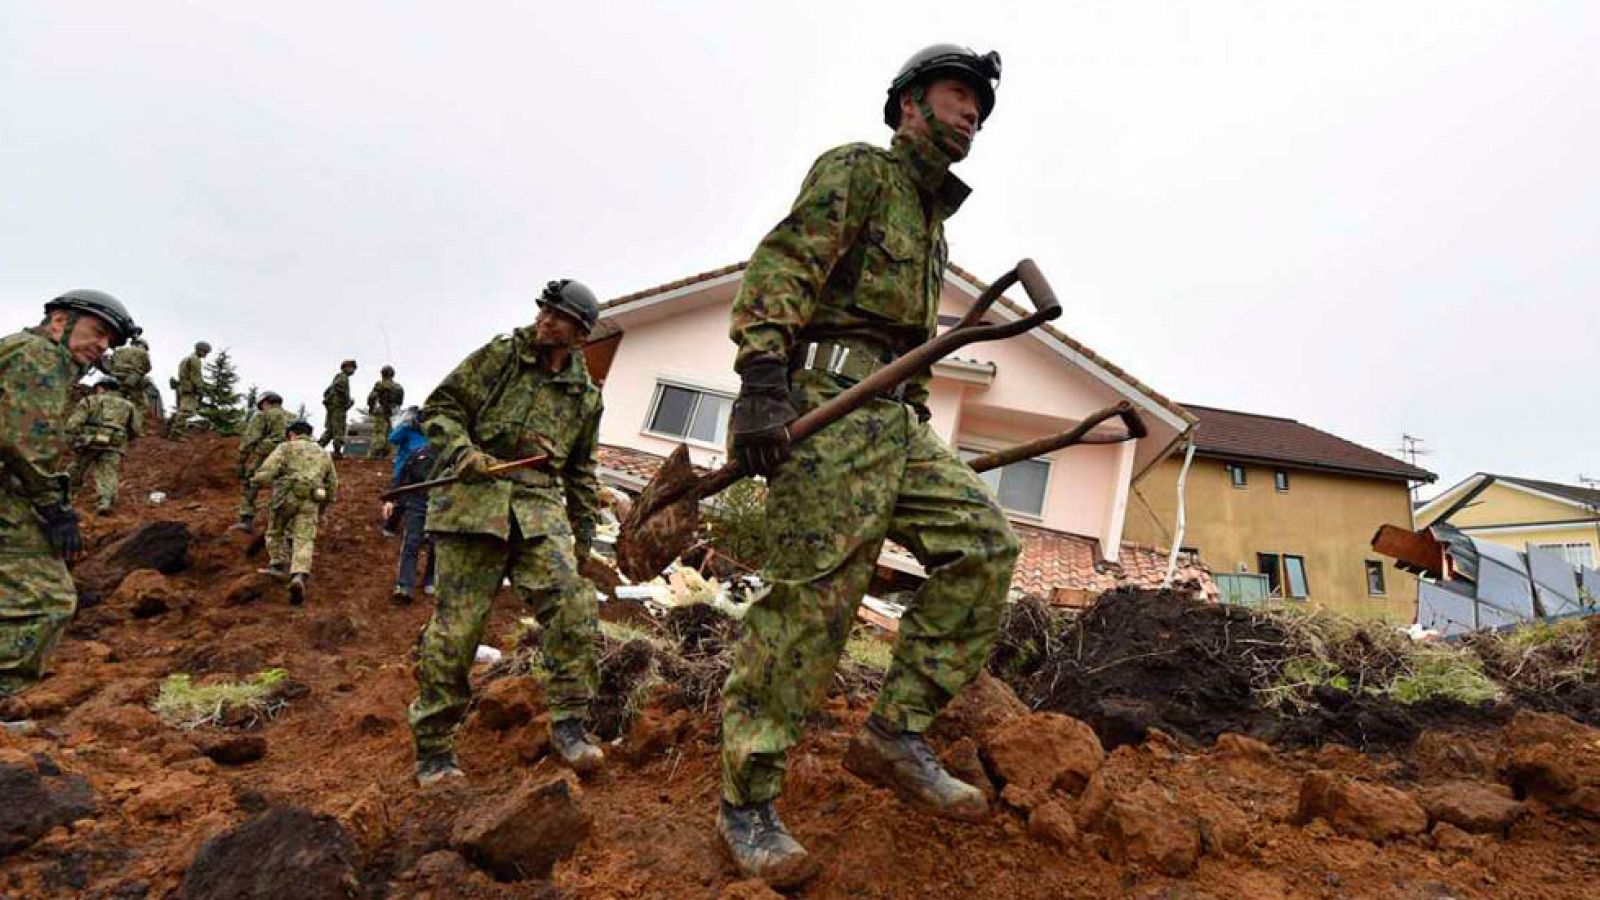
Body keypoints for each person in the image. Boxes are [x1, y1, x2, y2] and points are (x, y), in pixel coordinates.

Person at [715, 45, 1013, 886]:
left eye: (981, 112)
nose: (972, 116)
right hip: (826, 409)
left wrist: (914, 416)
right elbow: (786, 264)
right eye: (960, 97)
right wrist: (763, 382)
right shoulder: (859, 170)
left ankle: (894, 732)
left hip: (896, 422)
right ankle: (747, 800)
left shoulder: (933, 224)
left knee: (985, 548)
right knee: (813, 606)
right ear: (910, 104)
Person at [406, 279, 606, 786]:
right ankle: (434, 748)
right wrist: (462, 453)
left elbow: (581, 471)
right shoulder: (499, 356)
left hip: (538, 511)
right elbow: (442, 407)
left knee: (574, 605)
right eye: (545, 310)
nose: (545, 320)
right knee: (459, 628)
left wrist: (581, 540)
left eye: (559, 317)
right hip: (475, 500)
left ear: (579, 335)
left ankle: (569, 725)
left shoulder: (585, 396)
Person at [1, 289, 139, 701]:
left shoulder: (20, 350)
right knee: (48, 599)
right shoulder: (40, 357)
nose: (102, 346)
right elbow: (25, 444)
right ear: (60, 321)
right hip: (13, 492)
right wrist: (55, 509)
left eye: (110, 343)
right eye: (98, 332)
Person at [251, 419, 337, 605]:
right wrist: (327, 502)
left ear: (292, 433)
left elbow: (268, 470)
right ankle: (299, 575)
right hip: (312, 499)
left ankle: (278, 563)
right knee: (304, 539)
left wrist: (257, 481)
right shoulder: (323, 453)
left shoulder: (286, 447)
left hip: (286, 496)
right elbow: (332, 484)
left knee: (276, 530)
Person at [66, 377, 142, 515]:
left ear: (101, 387)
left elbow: (74, 424)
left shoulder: (90, 400)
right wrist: (125, 439)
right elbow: (135, 429)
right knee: (107, 471)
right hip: (115, 443)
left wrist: (73, 438)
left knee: (77, 467)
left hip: (89, 440)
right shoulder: (128, 405)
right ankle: (105, 502)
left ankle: (65, 496)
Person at [383, 440, 438, 604]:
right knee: (411, 543)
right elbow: (401, 478)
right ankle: (404, 585)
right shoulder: (418, 453)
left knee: (436, 545)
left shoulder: (452, 456)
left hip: (441, 504)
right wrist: (390, 500)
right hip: (417, 501)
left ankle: (431, 580)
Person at [233, 392, 294, 530]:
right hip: (291, 456)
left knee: (251, 482)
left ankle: (246, 519)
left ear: (265, 403)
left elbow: (251, 438)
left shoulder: (263, 415)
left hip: (268, 455)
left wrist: (241, 460)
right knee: (285, 487)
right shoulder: (292, 417)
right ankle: (284, 524)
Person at [167, 340, 210, 437]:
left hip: (182, 387)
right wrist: (200, 389)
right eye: (205, 352)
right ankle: (176, 433)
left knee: (181, 410)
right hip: (188, 389)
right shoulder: (195, 360)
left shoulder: (186, 359)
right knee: (186, 411)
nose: (205, 355)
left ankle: (169, 428)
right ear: (200, 350)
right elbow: (196, 376)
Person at [317, 359, 357, 459]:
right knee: (338, 430)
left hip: (333, 408)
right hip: (338, 409)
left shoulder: (338, 377)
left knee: (330, 430)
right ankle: (337, 452)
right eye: (352, 368)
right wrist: (348, 403)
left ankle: (317, 448)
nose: (353, 371)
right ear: (346, 368)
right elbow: (341, 392)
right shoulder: (343, 378)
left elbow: (329, 392)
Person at [109, 336, 154, 419]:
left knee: (114, 398)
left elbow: (111, 364)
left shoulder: (119, 350)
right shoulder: (143, 353)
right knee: (141, 405)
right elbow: (148, 368)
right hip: (132, 380)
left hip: (115, 378)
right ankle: (135, 422)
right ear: (143, 345)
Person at [366, 365, 405, 460]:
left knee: (379, 432)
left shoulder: (380, 384)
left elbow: (372, 397)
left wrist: (371, 408)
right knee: (390, 433)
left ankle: (374, 454)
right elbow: (400, 401)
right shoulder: (398, 387)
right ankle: (384, 454)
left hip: (382, 410)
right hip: (393, 412)